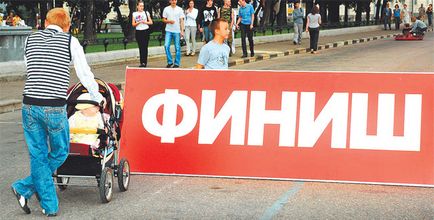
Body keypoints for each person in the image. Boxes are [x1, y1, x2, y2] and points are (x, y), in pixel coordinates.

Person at [10, 8, 104, 217]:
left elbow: (30, 67)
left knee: (38, 154)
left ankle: (27, 189)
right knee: (61, 151)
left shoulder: (30, 40)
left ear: (45, 22)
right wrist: (97, 96)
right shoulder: (70, 41)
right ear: (68, 26)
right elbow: (84, 73)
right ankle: (45, 203)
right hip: (53, 105)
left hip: (30, 104)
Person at [162, 0, 185, 68]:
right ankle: (170, 62)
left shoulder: (180, 9)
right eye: (172, 0)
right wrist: (169, 21)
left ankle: (177, 63)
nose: (173, 1)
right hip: (168, 30)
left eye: (175, 0)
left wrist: (182, 31)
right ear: (169, 1)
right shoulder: (166, 9)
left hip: (177, 31)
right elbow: (163, 19)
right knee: (166, 46)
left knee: (177, 47)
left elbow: (181, 21)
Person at [132, 0, 153, 67]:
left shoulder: (146, 13)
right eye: (140, 6)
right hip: (138, 32)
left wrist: (145, 22)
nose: (142, 7)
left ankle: (144, 62)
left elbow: (151, 22)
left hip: (145, 31)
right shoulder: (134, 14)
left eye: (142, 6)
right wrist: (138, 22)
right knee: (141, 47)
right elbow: (133, 24)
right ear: (137, 6)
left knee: (145, 47)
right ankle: (142, 62)